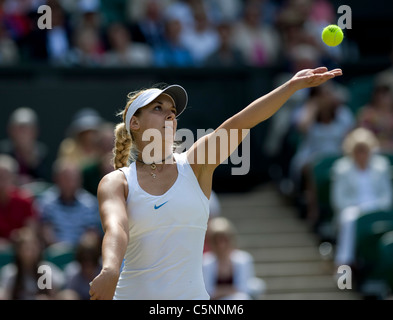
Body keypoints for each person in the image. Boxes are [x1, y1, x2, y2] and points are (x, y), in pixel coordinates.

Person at [88, 66, 342, 300]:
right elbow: (116, 228)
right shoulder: (116, 181)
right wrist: (110, 268)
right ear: (135, 123)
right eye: (158, 108)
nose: (170, 115)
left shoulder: (195, 164)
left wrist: (291, 87)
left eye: (172, 112)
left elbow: (242, 122)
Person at [331, 127, 393, 268]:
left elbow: (387, 197)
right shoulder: (341, 169)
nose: (362, 154)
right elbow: (339, 200)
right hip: (353, 209)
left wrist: (374, 206)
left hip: (377, 208)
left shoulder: (381, 166)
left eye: (364, 149)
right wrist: (359, 207)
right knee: (348, 219)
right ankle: (343, 267)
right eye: (358, 150)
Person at [202, 217, 265, 300]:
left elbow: (243, 288)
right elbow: (207, 292)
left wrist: (220, 291)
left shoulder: (244, 259)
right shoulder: (205, 262)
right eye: (216, 241)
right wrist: (230, 290)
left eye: (224, 240)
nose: (221, 245)